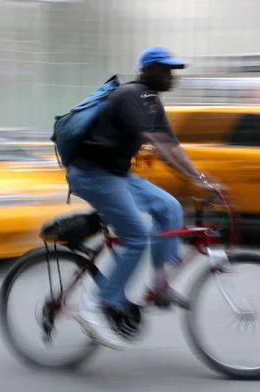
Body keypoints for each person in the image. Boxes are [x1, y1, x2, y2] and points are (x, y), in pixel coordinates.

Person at [67, 47, 215, 350]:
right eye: (164, 70)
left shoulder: (151, 102)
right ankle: (95, 303)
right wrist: (193, 178)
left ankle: (159, 284)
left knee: (168, 206)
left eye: (172, 70)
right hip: (91, 174)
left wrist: (201, 179)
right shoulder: (131, 95)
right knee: (136, 236)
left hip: (115, 174)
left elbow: (173, 146)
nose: (171, 76)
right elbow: (156, 142)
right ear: (148, 71)